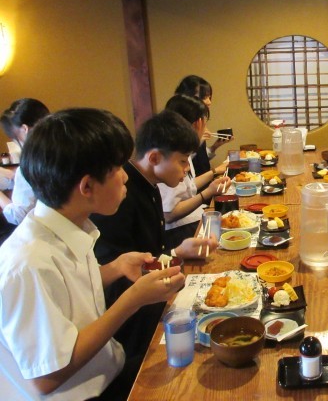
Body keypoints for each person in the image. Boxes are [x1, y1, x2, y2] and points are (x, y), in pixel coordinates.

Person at [0, 108, 185, 401]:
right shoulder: (27, 264)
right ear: (87, 186)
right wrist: (132, 300)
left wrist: (116, 268)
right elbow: (45, 378)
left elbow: (66, 292)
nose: (125, 177)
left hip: (110, 369)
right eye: (118, 169)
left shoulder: (69, 227)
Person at [91, 110, 218, 359]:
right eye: (182, 161)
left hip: (151, 304)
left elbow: (145, 256)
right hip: (131, 327)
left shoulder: (150, 185)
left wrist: (177, 251)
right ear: (154, 157)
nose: (186, 170)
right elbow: (117, 274)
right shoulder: (119, 197)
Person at [161, 94, 230, 247]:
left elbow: (189, 186)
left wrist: (214, 172)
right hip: (180, 230)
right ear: (198, 123)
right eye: (206, 123)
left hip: (191, 219)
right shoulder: (171, 153)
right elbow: (169, 214)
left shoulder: (180, 148)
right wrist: (208, 192)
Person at [0, 98, 50, 227]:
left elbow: (19, 216)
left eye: (14, 138)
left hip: (44, 228)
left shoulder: (32, 163)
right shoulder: (64, 148)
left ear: (24, 129)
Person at [175, 75, 232, 176]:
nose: (209, 102)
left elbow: (200, 160)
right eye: (204, 97)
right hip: (194, 184)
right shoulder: (179, 126)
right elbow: (182, 164)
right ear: (187, 97)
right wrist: (197, 142)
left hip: (203, 181)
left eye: (209, 97)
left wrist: (214, 147)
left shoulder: (198, 119)